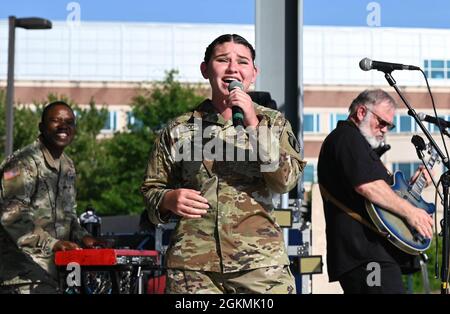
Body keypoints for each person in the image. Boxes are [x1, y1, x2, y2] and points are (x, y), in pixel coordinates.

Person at [141, 34, 306, 294]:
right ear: (205, 69)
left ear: (253, 73)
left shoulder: (274, 123)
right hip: (193, 270)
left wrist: (253, 123)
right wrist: (168, 199)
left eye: (242, 62)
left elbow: (285, 181)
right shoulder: (179, 129)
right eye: (222, 60)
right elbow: (151, 189)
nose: (232, 68)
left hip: (260, 268)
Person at [317, 89, 434, 294]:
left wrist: (416, 184)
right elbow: (367, 185)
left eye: (389, 125)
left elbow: (382, 193)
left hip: (373, 255)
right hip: (365, 255)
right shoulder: (346, 137)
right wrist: (412, 212)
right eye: (381, 122)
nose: (385, 130)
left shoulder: (358, 145)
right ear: (362, 112)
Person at [0, 101, 100, 294]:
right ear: (42, 127)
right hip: (22, 277)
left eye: (69, 122)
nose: (64, 126)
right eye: (56, 121)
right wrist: (53, 244)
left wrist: (84, 237)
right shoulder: (22, 163)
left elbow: (68, 216)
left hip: (57, 275)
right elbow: (10, 217)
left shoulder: (67, 166)